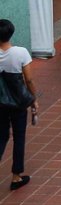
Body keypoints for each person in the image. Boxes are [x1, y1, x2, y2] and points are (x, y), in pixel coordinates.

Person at [0, 20, 36, 191]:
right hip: (18, 102)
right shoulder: (21, 53)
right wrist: (33, 98)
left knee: (1, 136)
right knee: (19, 136)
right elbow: (28, 79)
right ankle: (16, 176)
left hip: (0, 102)